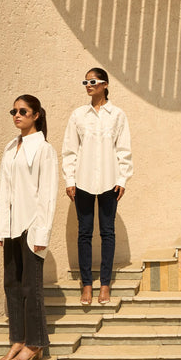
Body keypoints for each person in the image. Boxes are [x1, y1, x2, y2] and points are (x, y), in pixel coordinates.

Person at [0, 94, 58, 360]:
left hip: (31, 226)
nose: (17, 115)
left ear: (36, 115)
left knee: (31, 287)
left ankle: (35, 342)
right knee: (12, 285)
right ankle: (18, 340)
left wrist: (42, 232)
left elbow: (48, 194)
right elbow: (4, 190)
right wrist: (1, 228)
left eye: (22, 111)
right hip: (11, 226)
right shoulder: (11, 147)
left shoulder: (44, 149)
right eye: (14, 111)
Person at [63, 68, 133, 306]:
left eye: (92, 81)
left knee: (107, 232)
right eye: (85, 82)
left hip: (109, 181)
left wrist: (122, 179)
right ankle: (86, 285)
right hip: (82, 181)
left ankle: (104, 284)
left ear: (105, 84)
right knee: (84, 233)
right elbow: (70, 150)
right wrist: (69, 180)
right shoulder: (78, 115)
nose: (88, 85)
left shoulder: (117, 115)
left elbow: (123, 149)